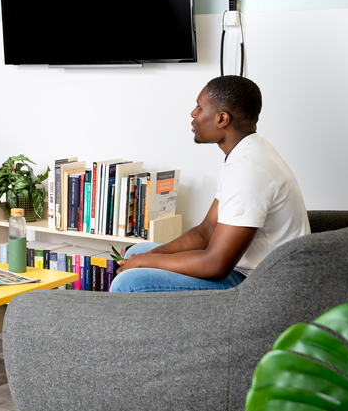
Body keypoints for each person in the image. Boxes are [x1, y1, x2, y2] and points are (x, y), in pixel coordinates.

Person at [110, 75, 310, 293]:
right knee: (135, 252)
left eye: (199, 107)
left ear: (222, 119)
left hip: (262, 285)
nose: (193, 114)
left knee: (128, 282)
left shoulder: (248, 170)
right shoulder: (245, 154)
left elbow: (215, 265)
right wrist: (146, 258)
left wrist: (143, 263)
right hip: (242, 269)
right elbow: (204, 232)